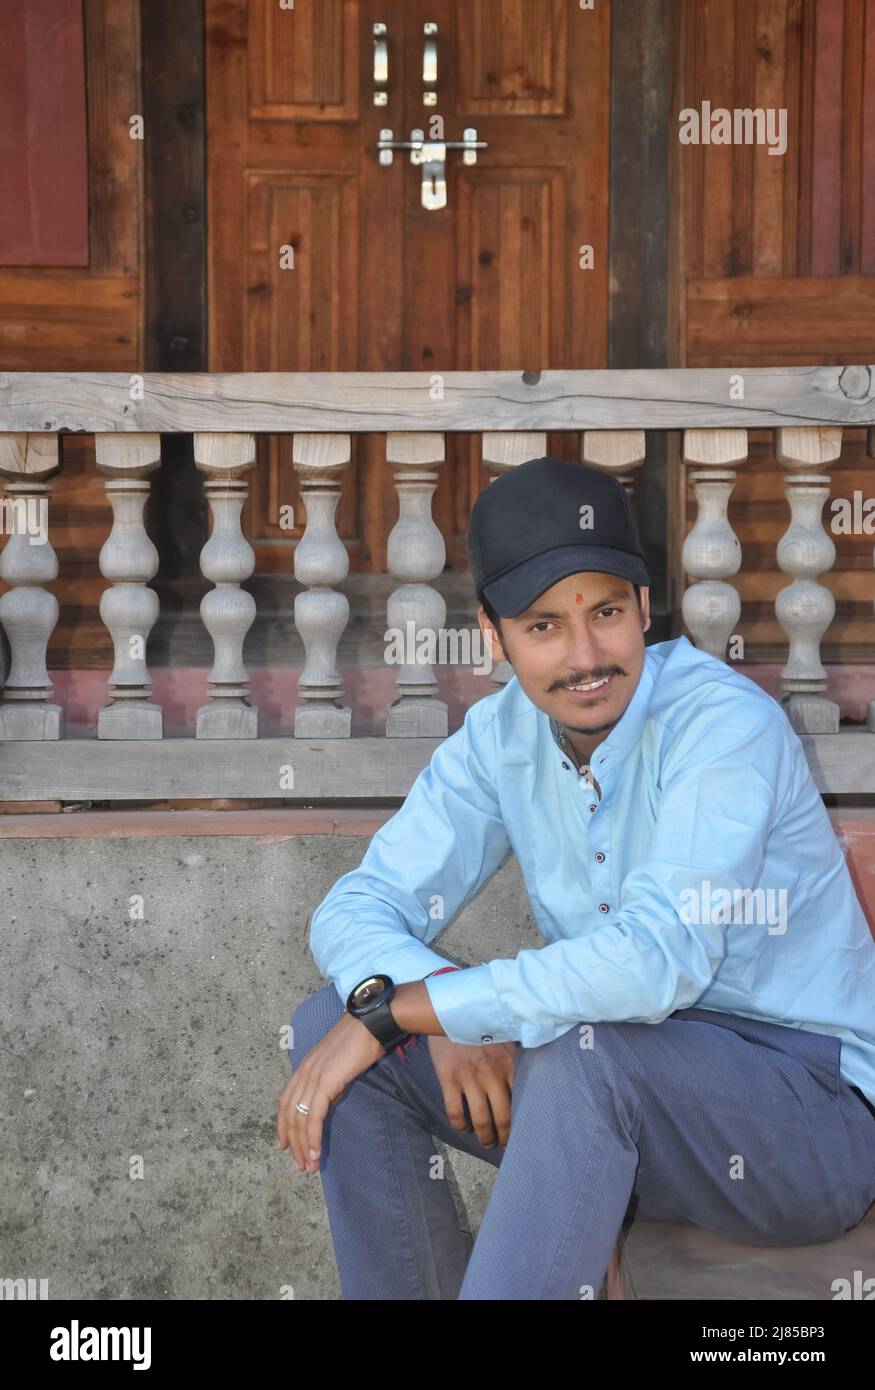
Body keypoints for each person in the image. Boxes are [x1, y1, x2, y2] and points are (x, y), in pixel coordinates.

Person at [277, 456, 875, 1300]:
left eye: (605, 613)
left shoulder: (721, 725)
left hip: (805, 1118)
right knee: (331, 1029)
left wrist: (413, 1008)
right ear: (493, 637)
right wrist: (423, 998)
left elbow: (652, 961)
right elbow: (358, 905)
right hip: (608, 1097)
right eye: (544, 626)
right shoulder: (500, 738)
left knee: (581, 1053)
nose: (585, 655)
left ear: (643, 609)